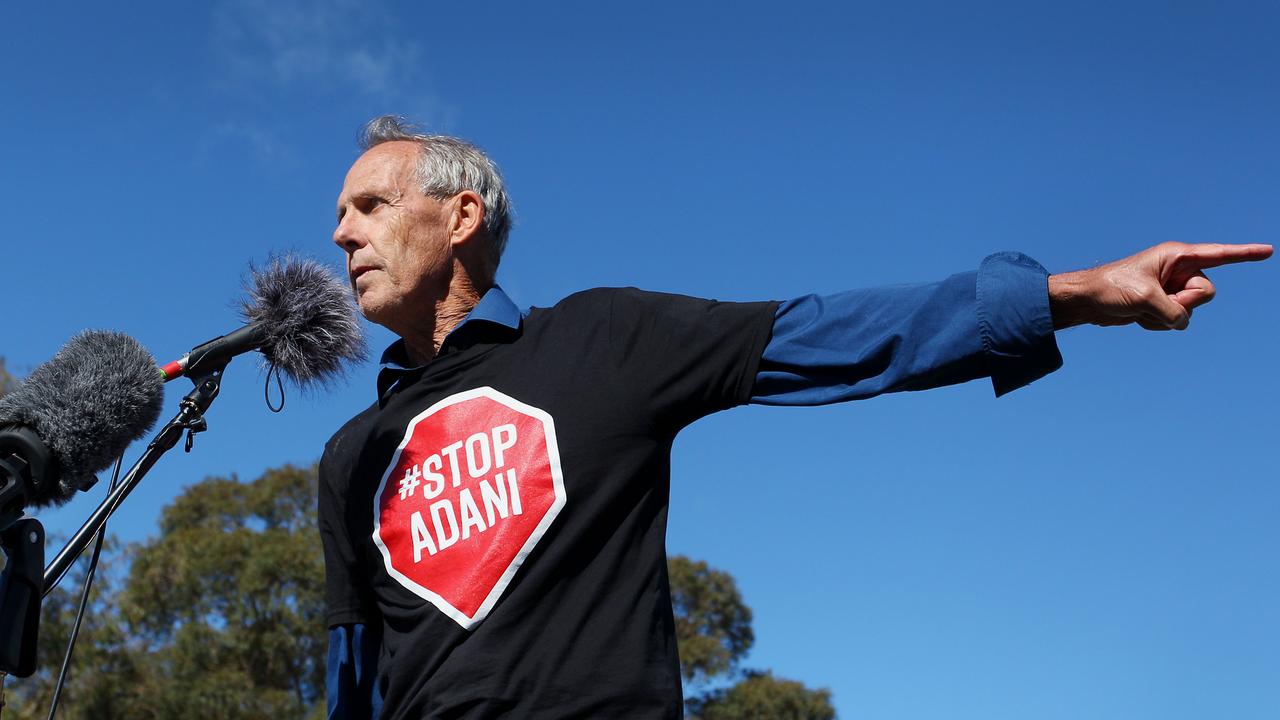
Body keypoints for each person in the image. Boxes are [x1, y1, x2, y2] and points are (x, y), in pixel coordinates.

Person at [321, 115, 1271, 720]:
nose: (341, 232)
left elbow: (836, 334)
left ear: (460, 218)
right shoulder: (352, 456)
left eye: (371, 203)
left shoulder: (605, 339)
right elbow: (352, 671)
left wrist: (1074, 293)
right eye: (340, 212)